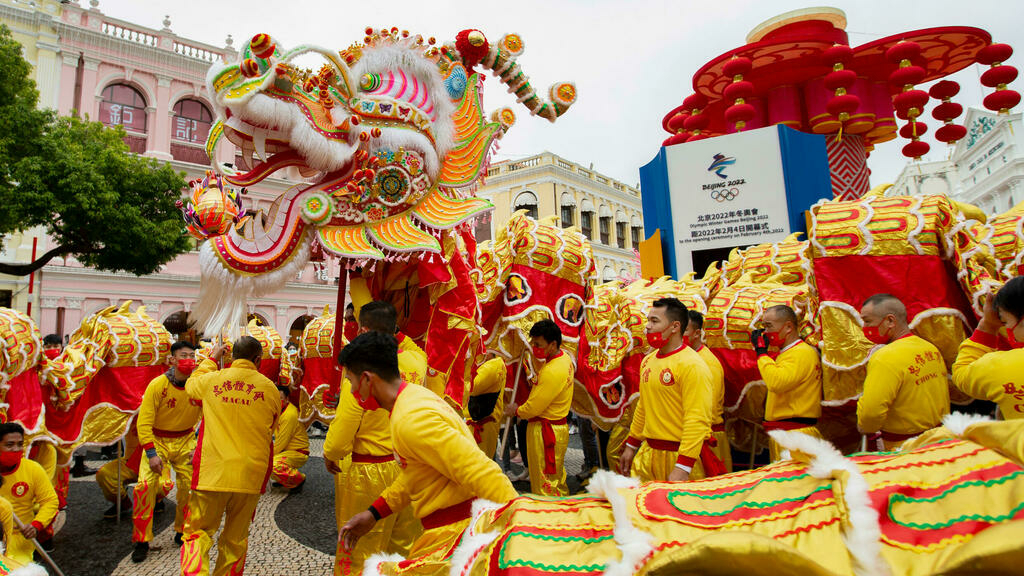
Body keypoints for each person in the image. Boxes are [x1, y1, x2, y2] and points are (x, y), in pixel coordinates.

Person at [338, 332, 518, 575]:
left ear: (368, 379)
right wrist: (375, 512)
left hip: (454, 537)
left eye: (350, 381)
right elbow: (417, 471)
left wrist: (520, 528)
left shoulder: (411, 419)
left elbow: (481, 472)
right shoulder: (413, 397)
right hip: (448, 531)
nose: (351, 392)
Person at [323, 299, 425, 575]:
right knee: (402, 549)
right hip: (409, 469)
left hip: (369, 471)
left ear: (363, 330)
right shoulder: (417, 361)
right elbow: (412, 347)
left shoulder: (361, 372)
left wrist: (331, 454)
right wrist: (393, 332)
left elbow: (343, 429)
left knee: (358, 550)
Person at [179, 336, 281, 576]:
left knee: (197, 533)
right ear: (258, 359)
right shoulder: (270, 389)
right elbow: (272, 426)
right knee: (236, 538)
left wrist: (211, 359)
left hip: (212, 472)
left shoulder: (212, 380)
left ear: (232, 356)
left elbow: (190, 386)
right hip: (250, 474)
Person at [619, 298, 715, 482]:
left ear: (674, 326)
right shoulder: (648, 360)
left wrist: (683, 467)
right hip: (648, 454)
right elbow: (643, 406)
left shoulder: (692, 365)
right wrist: (632, 445)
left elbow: (697, 419)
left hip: (678, 456)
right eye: (648, 320)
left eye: (654, 321)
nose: (647, 326)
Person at [131, 341, 203, 562]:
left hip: (185, 441)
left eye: (192, 355)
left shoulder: (198, 386)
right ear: (172, 360)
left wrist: (198, 445)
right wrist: (151, 453)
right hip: (158, 440)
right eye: (183, 355)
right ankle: (141, 539)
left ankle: (183, 531)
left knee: (190, 488)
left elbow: (209, 416)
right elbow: (144, 422)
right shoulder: (157, 385)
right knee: (144, 486)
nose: (188, 359)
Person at [858, 294, 950, 450]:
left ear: (890, 321)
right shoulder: (929, 348)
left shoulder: (884, 357)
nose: (865, 328)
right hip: (941, 440)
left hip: (904, 448)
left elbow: (870, 414)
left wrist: (865, 426)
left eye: (868, 321)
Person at [503, 319, 573, 496]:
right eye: (533, 343)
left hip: (544, 431)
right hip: (554, 428)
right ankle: (560, 510)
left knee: (544, 481)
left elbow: (534, 407)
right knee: (555, 477)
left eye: (538, 344)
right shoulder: (564, 358)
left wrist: (517, 410)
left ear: (553, 344)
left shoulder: (553, 369)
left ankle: (548, 516)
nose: (534, 347)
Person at [752, 305, 824, 462]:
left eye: (769, 326)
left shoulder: (801, 353)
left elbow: (777, 383)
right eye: (763, 327)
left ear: (788, 327)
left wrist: (761, 354)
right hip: (788, 435)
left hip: (796, 436)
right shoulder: (789, 353)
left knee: (794, 485)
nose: (765, 332)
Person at [952, 278, 1024, 419]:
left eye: (1005, 321)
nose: (1007, 328)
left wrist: (988, 325)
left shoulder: (1000, 366)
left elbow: (961, 372)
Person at [0, 423, 58, 564]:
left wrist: (36, 525)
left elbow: (50, 500)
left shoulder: (32, 469)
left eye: (20, 444)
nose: (16, 449)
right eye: (9, 445)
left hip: (20, 537)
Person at [685, 310, 731, 473]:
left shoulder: (707, 363)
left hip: (708, 437)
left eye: (685, 330)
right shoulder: (687, 357)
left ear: (697, 333)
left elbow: (706, 410)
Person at [96, 422, 170, 519]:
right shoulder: (126, 414)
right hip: (129, 462)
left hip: (156, 462)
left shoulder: (161, 412)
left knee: (162, 485)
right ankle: (122, 502)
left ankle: (157, 499)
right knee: (105, 474)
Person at [467, 355, 506, 459]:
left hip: (483, 426)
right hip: (483, 424)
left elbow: (471, 387)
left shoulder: (493, 365)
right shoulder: (493, 363)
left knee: (478, 464)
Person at [270, 387, 309, 491]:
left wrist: (266, 457)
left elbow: (281, 442)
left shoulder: (289, 415)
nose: (277, 402)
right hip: (287, 450)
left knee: (272, 465)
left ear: (287, 399)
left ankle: (298, 479)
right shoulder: (279, 410)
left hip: (298, 452)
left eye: (280, 398)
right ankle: (285, 479)